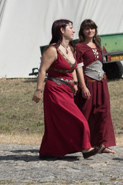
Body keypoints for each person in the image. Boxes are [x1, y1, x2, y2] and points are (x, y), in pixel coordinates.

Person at [32, 19, 94, 160]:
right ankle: (86, 148)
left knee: (59, 123)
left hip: (67, 91)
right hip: (55, 90)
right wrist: (38, 90)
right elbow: (42, 70)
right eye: (70, 28)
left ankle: (49, 150)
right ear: (61, 30)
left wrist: (76, 83)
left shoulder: (71, 49)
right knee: (79, 120)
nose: (73, 31)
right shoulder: (52, 50)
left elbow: (73, 68)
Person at [74, 19, 116, 155]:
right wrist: (83, 86)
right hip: (89, 83)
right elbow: (78, 67)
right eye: (87, 29)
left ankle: (102, 144)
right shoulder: (79, 47)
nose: (90, 31)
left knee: (103, 112)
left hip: (101, 83)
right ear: (82, 31)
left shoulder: (97, 44)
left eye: (92, 28)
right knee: (86, 113)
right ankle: (84, 144)